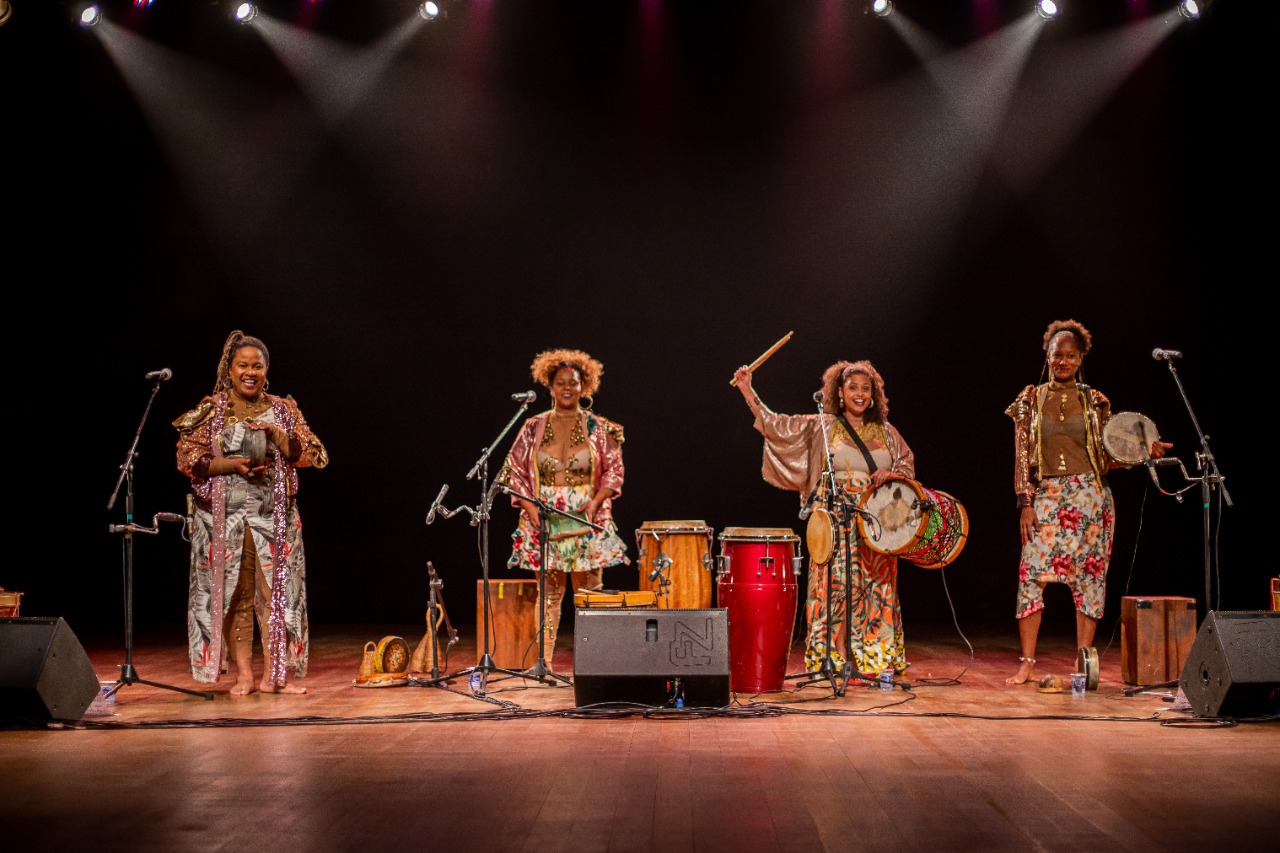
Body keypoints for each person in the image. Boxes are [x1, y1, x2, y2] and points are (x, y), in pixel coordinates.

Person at [1004, 319, 1171, 686]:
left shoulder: (1096, 402)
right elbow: (1021, 456)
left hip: (1092, 499)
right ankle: (1027, 662)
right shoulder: (1030, 399)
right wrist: (1024, 501)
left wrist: (1143, 451)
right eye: (1056, 355)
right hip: (1045, 496)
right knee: (1031, 575)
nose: (1062, 361)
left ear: (1080, 359)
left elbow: (1110, 455)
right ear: (1047, 356)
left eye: (1070, 355)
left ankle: (1083, 662)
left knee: (1090, 580)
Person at [734, 360, 915, 678]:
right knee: (834, 588)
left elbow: (908, 470)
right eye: (853, 388)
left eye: (865, 388)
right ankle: (834, 657)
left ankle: (875, 656)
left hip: (876, 524)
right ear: (840, 393)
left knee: (876, 588)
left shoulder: (888, 433)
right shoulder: (823, 426)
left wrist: (893, 474)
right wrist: (748, 389)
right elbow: (776, 425)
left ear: (873, 395)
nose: (859, 394)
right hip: (833, 522)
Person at [173, 330, 329, 695]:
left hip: (275, 518)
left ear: (266, 370)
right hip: (223, 521)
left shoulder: (285, 410)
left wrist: (277, 435)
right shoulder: (211, 408)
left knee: (276, 594)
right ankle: (244, 674)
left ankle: (277, 676)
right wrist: (231, 466)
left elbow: (315, 454)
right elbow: (186, 457)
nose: (250, 372)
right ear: (230, 370)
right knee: (235, 597)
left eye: (257, 366)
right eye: (243, 365)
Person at [497, 348, 630, 663]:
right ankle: (541, 663)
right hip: (544, 517)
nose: (567, 388)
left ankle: (596, 665)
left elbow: (614, 469)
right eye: (560, 382)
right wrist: (532, 512)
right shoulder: (532, 426)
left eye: (573, 382)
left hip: (587, 516)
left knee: (591, 597)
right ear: (550, 385)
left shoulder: (600, 428)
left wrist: (595, 503)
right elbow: (513, 471)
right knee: (549, 598)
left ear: (585, 386)